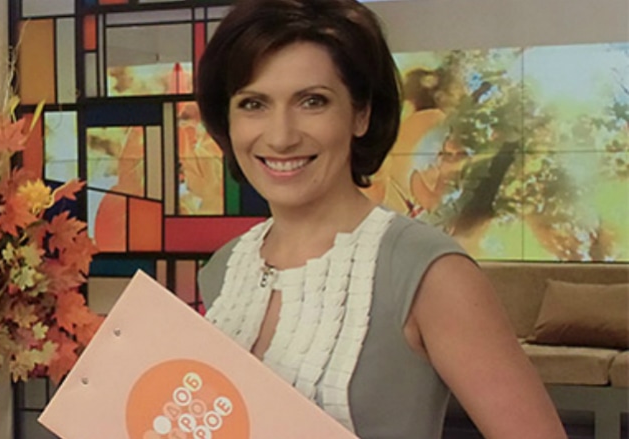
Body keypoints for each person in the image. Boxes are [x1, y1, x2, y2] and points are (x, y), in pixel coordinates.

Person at [196, 0, 567, 437]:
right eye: (253, 103)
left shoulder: (426, 270)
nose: (280, 136)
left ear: (361, 113)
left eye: (312, 101)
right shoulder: (225, 268)